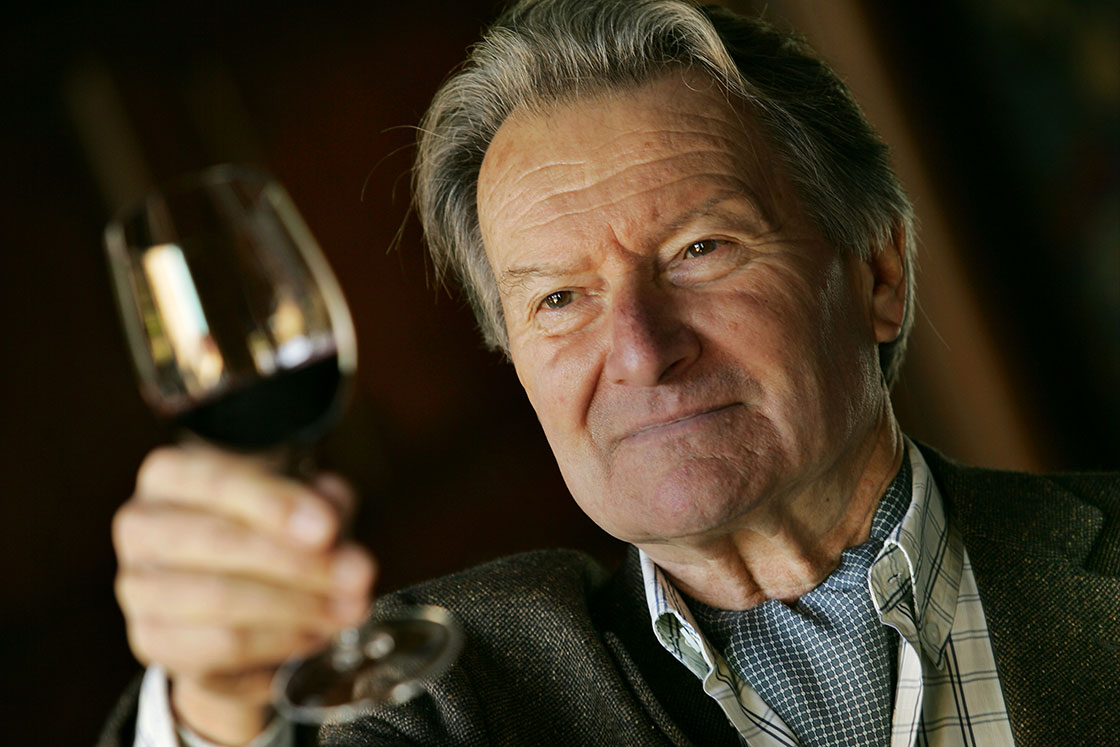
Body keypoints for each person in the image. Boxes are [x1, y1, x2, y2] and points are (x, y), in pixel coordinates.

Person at [101, 1, 1120, 745]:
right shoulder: (437, 703)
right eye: (558, 299)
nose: (640, 348)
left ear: (878, 275)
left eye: (701, 250)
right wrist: (214, 710)